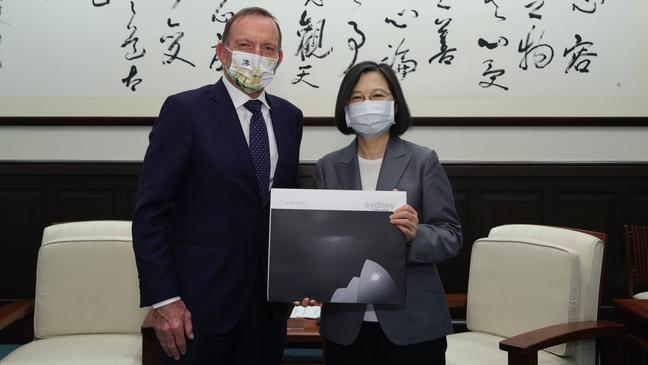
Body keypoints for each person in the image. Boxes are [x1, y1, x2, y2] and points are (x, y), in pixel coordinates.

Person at [132, 7, 303, 364]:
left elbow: (284, 207)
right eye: (245, 45)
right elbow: (151, 212)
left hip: (268, 308)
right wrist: (165, 301)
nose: (256, 56)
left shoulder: (289, 117)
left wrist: (301, 279)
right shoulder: (185, 111)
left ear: (280, 58)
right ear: (221, 52)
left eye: (267, 49)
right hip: (197, 308)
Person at [300, 61, 462, 364]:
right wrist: (311, 279)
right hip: (346, 324)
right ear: (345, 108)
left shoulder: (423, 160)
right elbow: (319, 242)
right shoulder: (328, 166)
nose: (367, 105)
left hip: (413, 323)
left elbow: (451, 236)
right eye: (358, 98)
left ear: (395, 105)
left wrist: (417, 234)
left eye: (377, 96)